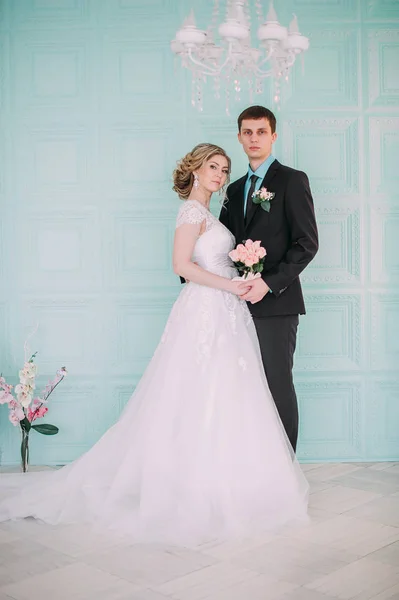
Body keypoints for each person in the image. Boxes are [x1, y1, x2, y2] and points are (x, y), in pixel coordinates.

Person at [0, 143, 309, 546]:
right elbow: (181, 266)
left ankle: (224, 480)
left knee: (227, 393)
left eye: (224, 168)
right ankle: (190, 485)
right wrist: (231, 284)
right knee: (195, 393)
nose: (220, 174)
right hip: (205, 308)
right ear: (195, 170)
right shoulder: (191, 213)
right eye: (212, 166)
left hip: (226, 310)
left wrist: (242, 278)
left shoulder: (215, 213)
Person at [220, 106, 319, 452]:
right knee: (242, 385)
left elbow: (307, 244)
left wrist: (268, 283)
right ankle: (252, 464)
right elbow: (225, 243)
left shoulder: (292, 180)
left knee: (277, 383)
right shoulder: (233, 190)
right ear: (239, 137)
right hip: (236, 305)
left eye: (261, 132)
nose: (254, 138)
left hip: (277, 303)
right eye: (247, 132)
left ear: (273, 136)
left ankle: (286, 468)